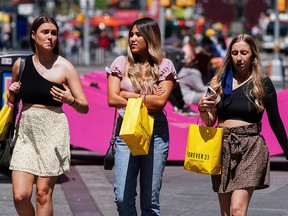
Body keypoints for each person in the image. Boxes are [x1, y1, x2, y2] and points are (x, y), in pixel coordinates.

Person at [197, 33, 288, 216]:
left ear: (252, 55)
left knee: (237, 210)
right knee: (225, 212)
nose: (239, 58)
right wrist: (201, 109)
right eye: (235, 53)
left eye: (244, 53)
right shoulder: (218, 82)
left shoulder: (262, 84)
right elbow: (209, 122)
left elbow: (276, 122)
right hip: (223, 147)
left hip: (250, 148)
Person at [7, 15, 89, 216]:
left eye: (54, 33)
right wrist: (11, 92)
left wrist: (70, 100)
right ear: (34, 35)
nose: (50, 37)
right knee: (20, 196)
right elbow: (11, 102)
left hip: (53, 131)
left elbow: (84, 107)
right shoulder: (21, 65)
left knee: (43, 194)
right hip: (26, 133)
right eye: (45, 32)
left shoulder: (65, 67)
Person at [106, 17, 178, 215]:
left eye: (138, 34)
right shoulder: (120, 63)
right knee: (122, 197)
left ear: (150, 37)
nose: (132, 39)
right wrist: (147, 98)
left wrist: (129, 95)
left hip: (155, 131)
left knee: (150, 203)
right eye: (131, 34)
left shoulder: (164, 66)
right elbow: (112, 98)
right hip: (127, 130)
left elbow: (160, 102)